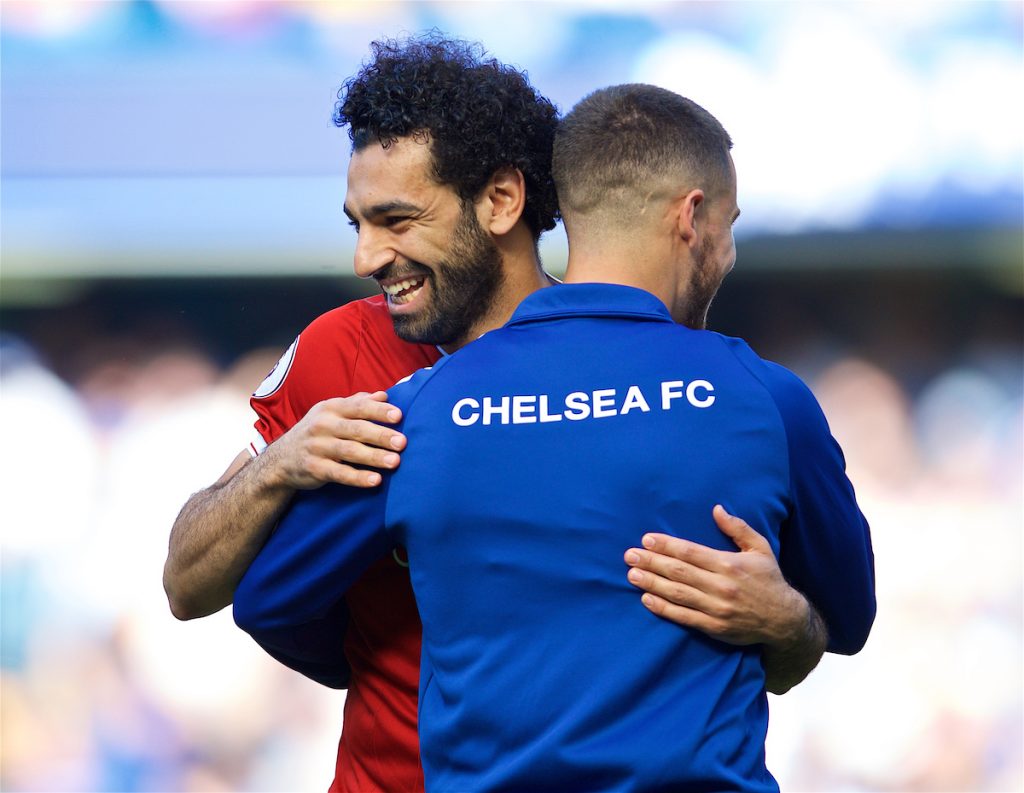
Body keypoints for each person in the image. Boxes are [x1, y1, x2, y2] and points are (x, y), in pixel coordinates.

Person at [165, 36, 827, 792]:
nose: (367, 257)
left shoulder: (646, 372)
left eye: (398, 219)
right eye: (358, 223)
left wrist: (785, 619)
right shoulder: (337, 354)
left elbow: (783, 635)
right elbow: (191, 585)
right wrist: (281, 464)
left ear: (503, 201)